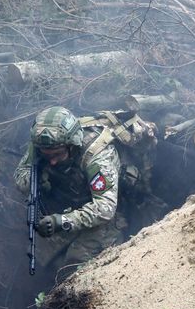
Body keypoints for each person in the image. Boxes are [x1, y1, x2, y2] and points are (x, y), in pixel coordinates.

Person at [14, 106, 126, 271]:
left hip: (106, 212)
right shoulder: (41, 145)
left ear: (72, 144)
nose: (52, 161)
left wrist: (62, 221)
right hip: (71, 203)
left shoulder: (97, 155)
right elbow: (21, 173)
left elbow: (106, 208)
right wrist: (36, 179)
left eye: (58, 154)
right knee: (45, 261)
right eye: (47, 156)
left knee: (74, 265)